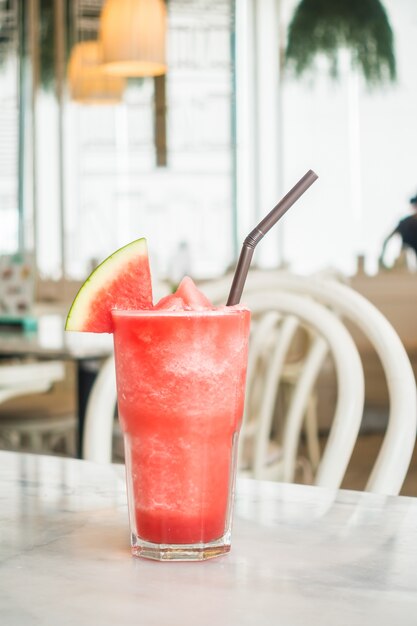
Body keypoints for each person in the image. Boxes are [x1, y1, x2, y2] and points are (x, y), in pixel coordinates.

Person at [379, 195, 417, 267]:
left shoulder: (405, 222)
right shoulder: (405, 223)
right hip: (406, 264)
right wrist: (382, 260)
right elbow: (387, 240)